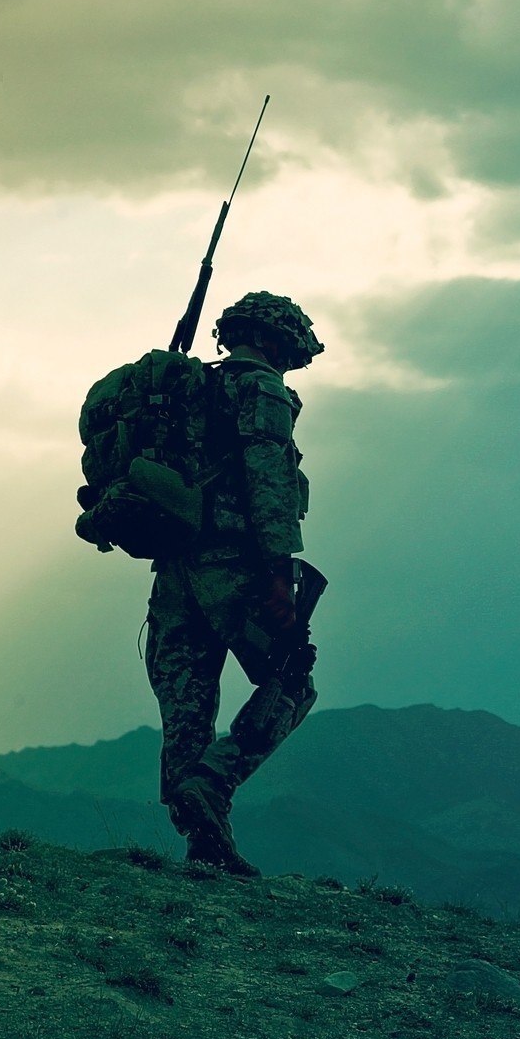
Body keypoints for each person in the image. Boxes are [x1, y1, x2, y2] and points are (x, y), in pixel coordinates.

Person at [145, 291, 325, 875]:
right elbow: (268, 482)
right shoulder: (261, 388)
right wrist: (280, 576)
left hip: (173, 571)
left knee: (188, 709)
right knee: (292, 681)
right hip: (235, 569)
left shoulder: (185, 390)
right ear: (274, 340)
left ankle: (204, 845)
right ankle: (213, 786)